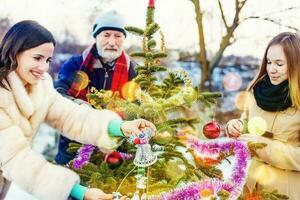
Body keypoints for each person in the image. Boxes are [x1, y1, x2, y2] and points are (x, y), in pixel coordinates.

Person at [0, 20, 155, 200]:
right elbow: (18, 159)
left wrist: (120, 127)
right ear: (14, 53)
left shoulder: (40, 88)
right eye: (37, 58)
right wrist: (80, 192)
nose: (44, 68)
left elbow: (72, 116)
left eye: (48, 60)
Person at [54, 10, 137, 165]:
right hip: (73, 148)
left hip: (116, 154)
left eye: (118, 36)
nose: (112, 42)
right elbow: (58, 95)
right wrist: (86, 112)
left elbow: (141, 106)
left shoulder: (133, 71)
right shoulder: (76, 65)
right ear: (96, 36)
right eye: (106, 35)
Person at [226, 32, 300, 199]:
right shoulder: (257, 91)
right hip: (251, 187)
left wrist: (265, 147)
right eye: (269, 62)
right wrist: (236, 126)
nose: (271, 69)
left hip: (286, 192)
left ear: (296, 64)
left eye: (279, 64)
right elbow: (248, 123)